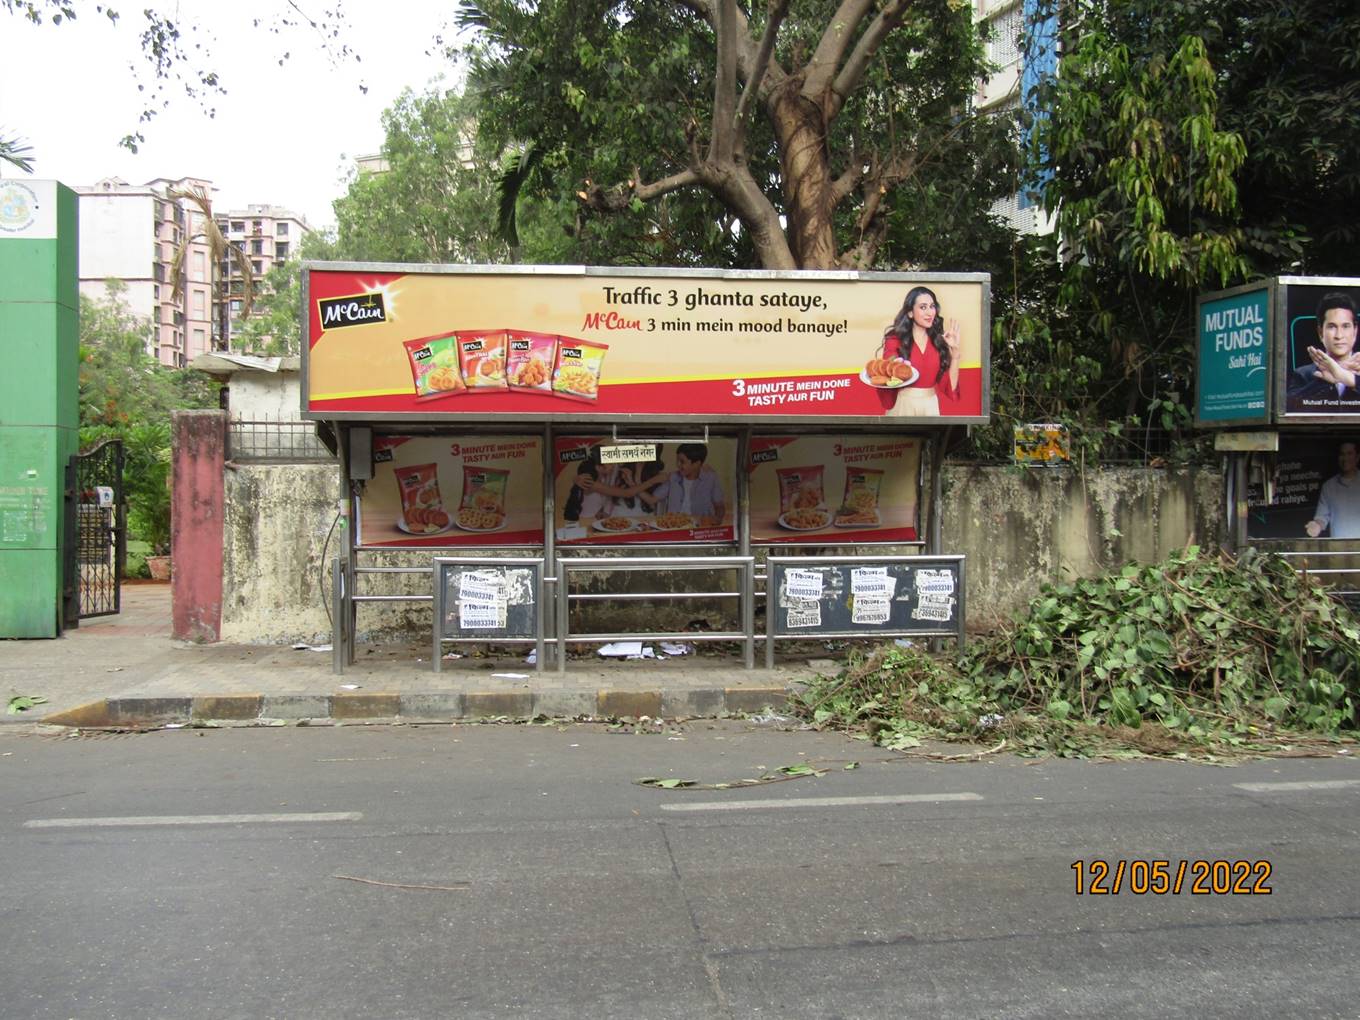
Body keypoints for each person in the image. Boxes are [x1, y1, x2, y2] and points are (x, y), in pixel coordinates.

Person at [876, 286, 961, 416]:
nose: (930, 313)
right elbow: (887, 370)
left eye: (932, 306)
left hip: (930, 406)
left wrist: (955, 355)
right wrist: (894, 364)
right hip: (903, 404)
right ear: (910, 313)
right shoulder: (895, 339)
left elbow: (950, 387)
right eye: (923, 307)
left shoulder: (939, 341)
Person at [1287, 293, 1360, 409]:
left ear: (1355, 331)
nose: (1339, 335)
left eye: (1345, 326)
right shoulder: (1303, 375)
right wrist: (1324, 381)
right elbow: (1288, 407)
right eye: (1332, 327)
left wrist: (1353, 380)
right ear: (1321, 333)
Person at [1304, 440, 1360, 538]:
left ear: (1357, 457)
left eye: (1349, 454)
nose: (1345, 458)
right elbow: (1322, 517)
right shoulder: (1328, 486)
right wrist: (1316, 526)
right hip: (1339, 549)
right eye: (1342, 454)